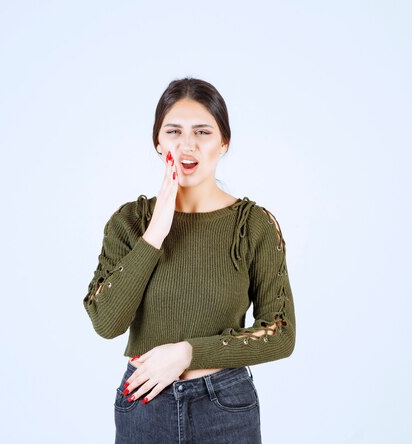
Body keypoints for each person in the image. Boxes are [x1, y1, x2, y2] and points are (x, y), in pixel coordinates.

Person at [82, 77, 296, 443]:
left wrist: (188, 354)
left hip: (225, 406)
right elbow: (106, 321)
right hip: (144, 404)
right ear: (157, 142)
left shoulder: (254, 225)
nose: (187, 144)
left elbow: (280, 332)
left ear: (223, 142)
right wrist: (155, 234)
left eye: (203, 131)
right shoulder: (129, 222)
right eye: (174, 131)